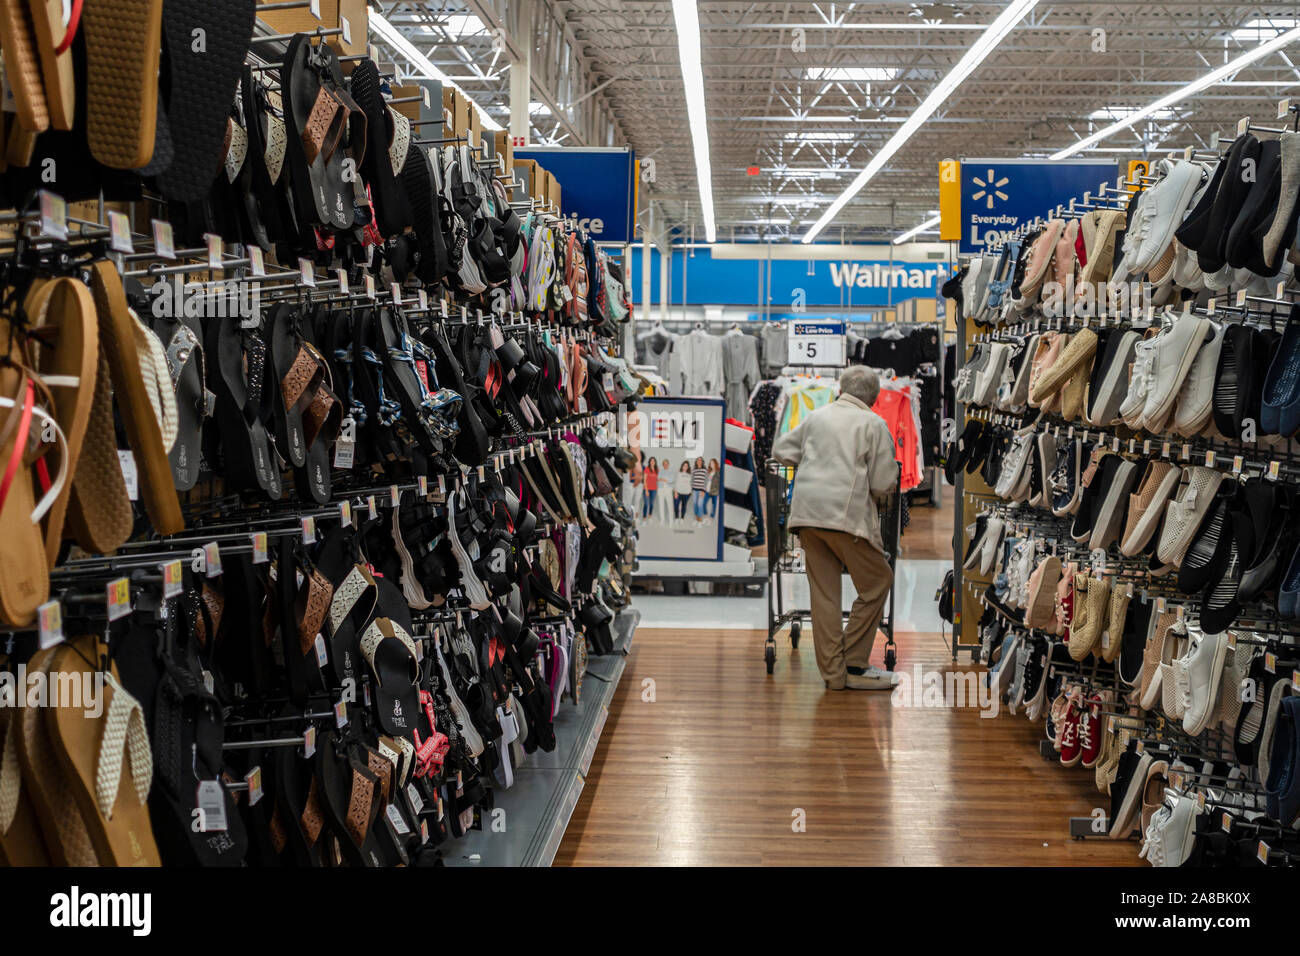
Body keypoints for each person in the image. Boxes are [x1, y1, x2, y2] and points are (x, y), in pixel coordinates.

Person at [770, 366, 900, 692]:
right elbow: (884, 481)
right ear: (873, 396)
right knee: (877, 581)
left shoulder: (818, 416)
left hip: (806, 516)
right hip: (846, 518)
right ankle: (854, 663)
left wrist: (816, 461)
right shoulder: (873, 423)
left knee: (824, 595)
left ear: (842, 388)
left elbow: (781, 450)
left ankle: (834, 675)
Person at [691, 456, 708, 522]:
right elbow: (692, 479)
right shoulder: (694, 470)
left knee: (699, 503)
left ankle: (700, 516)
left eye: (700, 460)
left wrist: (704, 490)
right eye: (698, 460)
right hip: (694, 490)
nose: (699, 461)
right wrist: (692, 487)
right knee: (695, 503)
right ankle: (696, 515)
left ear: (702, 462)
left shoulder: (704, 470)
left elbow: (706, 480)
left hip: (701, 490)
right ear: (696, 462)